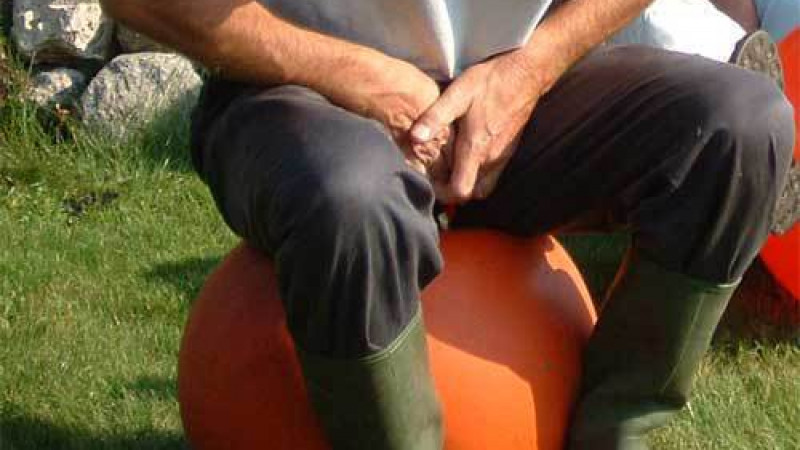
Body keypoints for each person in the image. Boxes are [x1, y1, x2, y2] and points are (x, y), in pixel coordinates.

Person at [102, 0, 795, 449]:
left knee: (742, 123)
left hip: (511, 94)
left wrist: (528, 72)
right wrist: (355, 76)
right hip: (297, 96)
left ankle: (611, 434)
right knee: (355, 198)